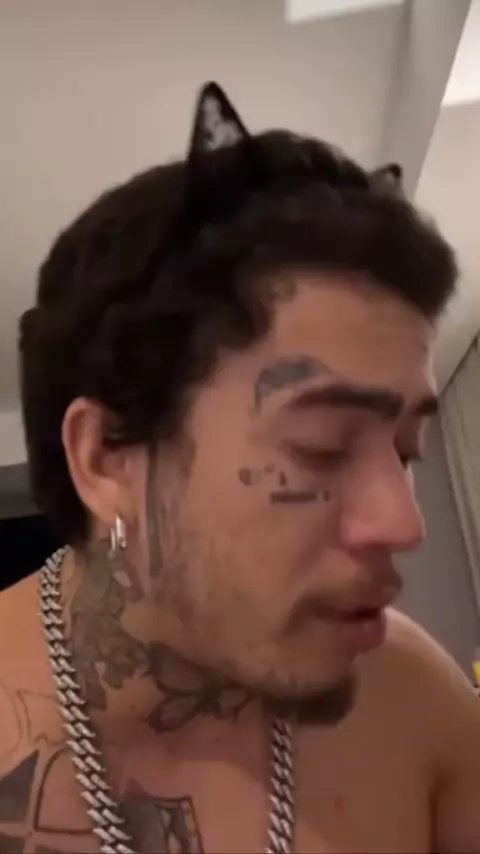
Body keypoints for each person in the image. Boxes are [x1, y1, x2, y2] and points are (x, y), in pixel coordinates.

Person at [0, 81, 479, 854]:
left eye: (405, 450)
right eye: (322, 445)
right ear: (107, 457)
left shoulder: (414, 696)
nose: (404, 523)